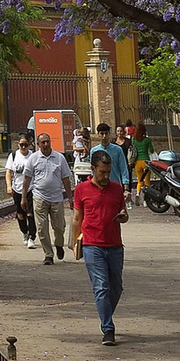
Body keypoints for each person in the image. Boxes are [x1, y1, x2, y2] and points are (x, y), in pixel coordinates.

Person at [72, 145, 129, 344]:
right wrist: (74, 242)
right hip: (92, 245)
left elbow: (124, 212)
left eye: (108, 172)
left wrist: (123, 217)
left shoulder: (116, 189)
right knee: (102, 287)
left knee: (116, 288)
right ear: (93, 169)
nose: (106, 176)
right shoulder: (81, 190)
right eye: (102, 172)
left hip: (114, 245)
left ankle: (105, 313)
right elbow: (77, 218)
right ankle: (108, 328)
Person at [26, 129, 75, 263]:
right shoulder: (33, 158)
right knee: (42, 228)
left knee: (59, 227)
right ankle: (48, 254)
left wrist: (70, 198)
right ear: (38, 144)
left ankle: (59, 245)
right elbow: (27, 178)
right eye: (43, 142)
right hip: (39, 197)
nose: (46, 144)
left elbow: (66, 179)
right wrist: (24, 196)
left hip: (56, 198)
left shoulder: (59, 158)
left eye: (47, 142)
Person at [5, 132, 37, 246]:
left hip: (30, 188)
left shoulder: (33, 156)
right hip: (17, 188)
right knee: (20, 214)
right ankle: (25, 232)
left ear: (29, 145)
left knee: (30, 213)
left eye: (26, 145)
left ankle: (32, 237)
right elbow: (8, 172)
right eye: (21, 145)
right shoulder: (13, 156)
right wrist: (9, 186)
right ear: (17, 144)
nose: (23, 147)